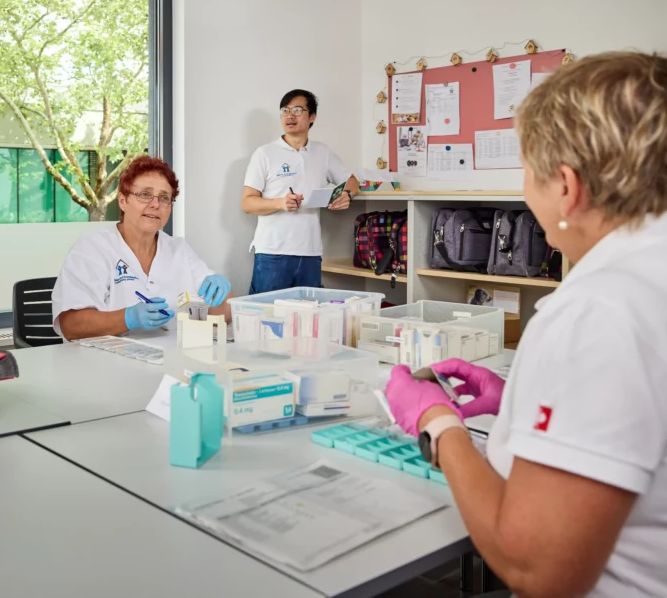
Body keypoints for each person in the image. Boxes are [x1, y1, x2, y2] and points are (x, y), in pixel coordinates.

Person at [384, 52, 667, 598]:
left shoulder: (597, 308)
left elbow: (538, 569)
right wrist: (518, 398)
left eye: (526, 169)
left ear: (566, 187)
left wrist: (439, 423)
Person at [52, 156, 233, 341]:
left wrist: (223, 295)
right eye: (145, 194)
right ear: (123, 200)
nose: (155, 204)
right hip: (105, 362)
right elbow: (71, 325)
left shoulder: (179, 250)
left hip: (171, 359)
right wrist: (128, 318)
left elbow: (223, 314)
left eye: (164, 198)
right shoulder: (92, 248)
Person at [242, 89, 358, 294]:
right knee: (266, 318)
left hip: (310, 254)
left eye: (297, 110)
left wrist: (346, 195)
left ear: (312, 117)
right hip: (272, 253)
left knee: (307, 320)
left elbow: (351, 181)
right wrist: (279, 203)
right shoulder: (265, 153)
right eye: (285, 110)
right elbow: (247, 203)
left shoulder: (322, 152)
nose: (289, 115)